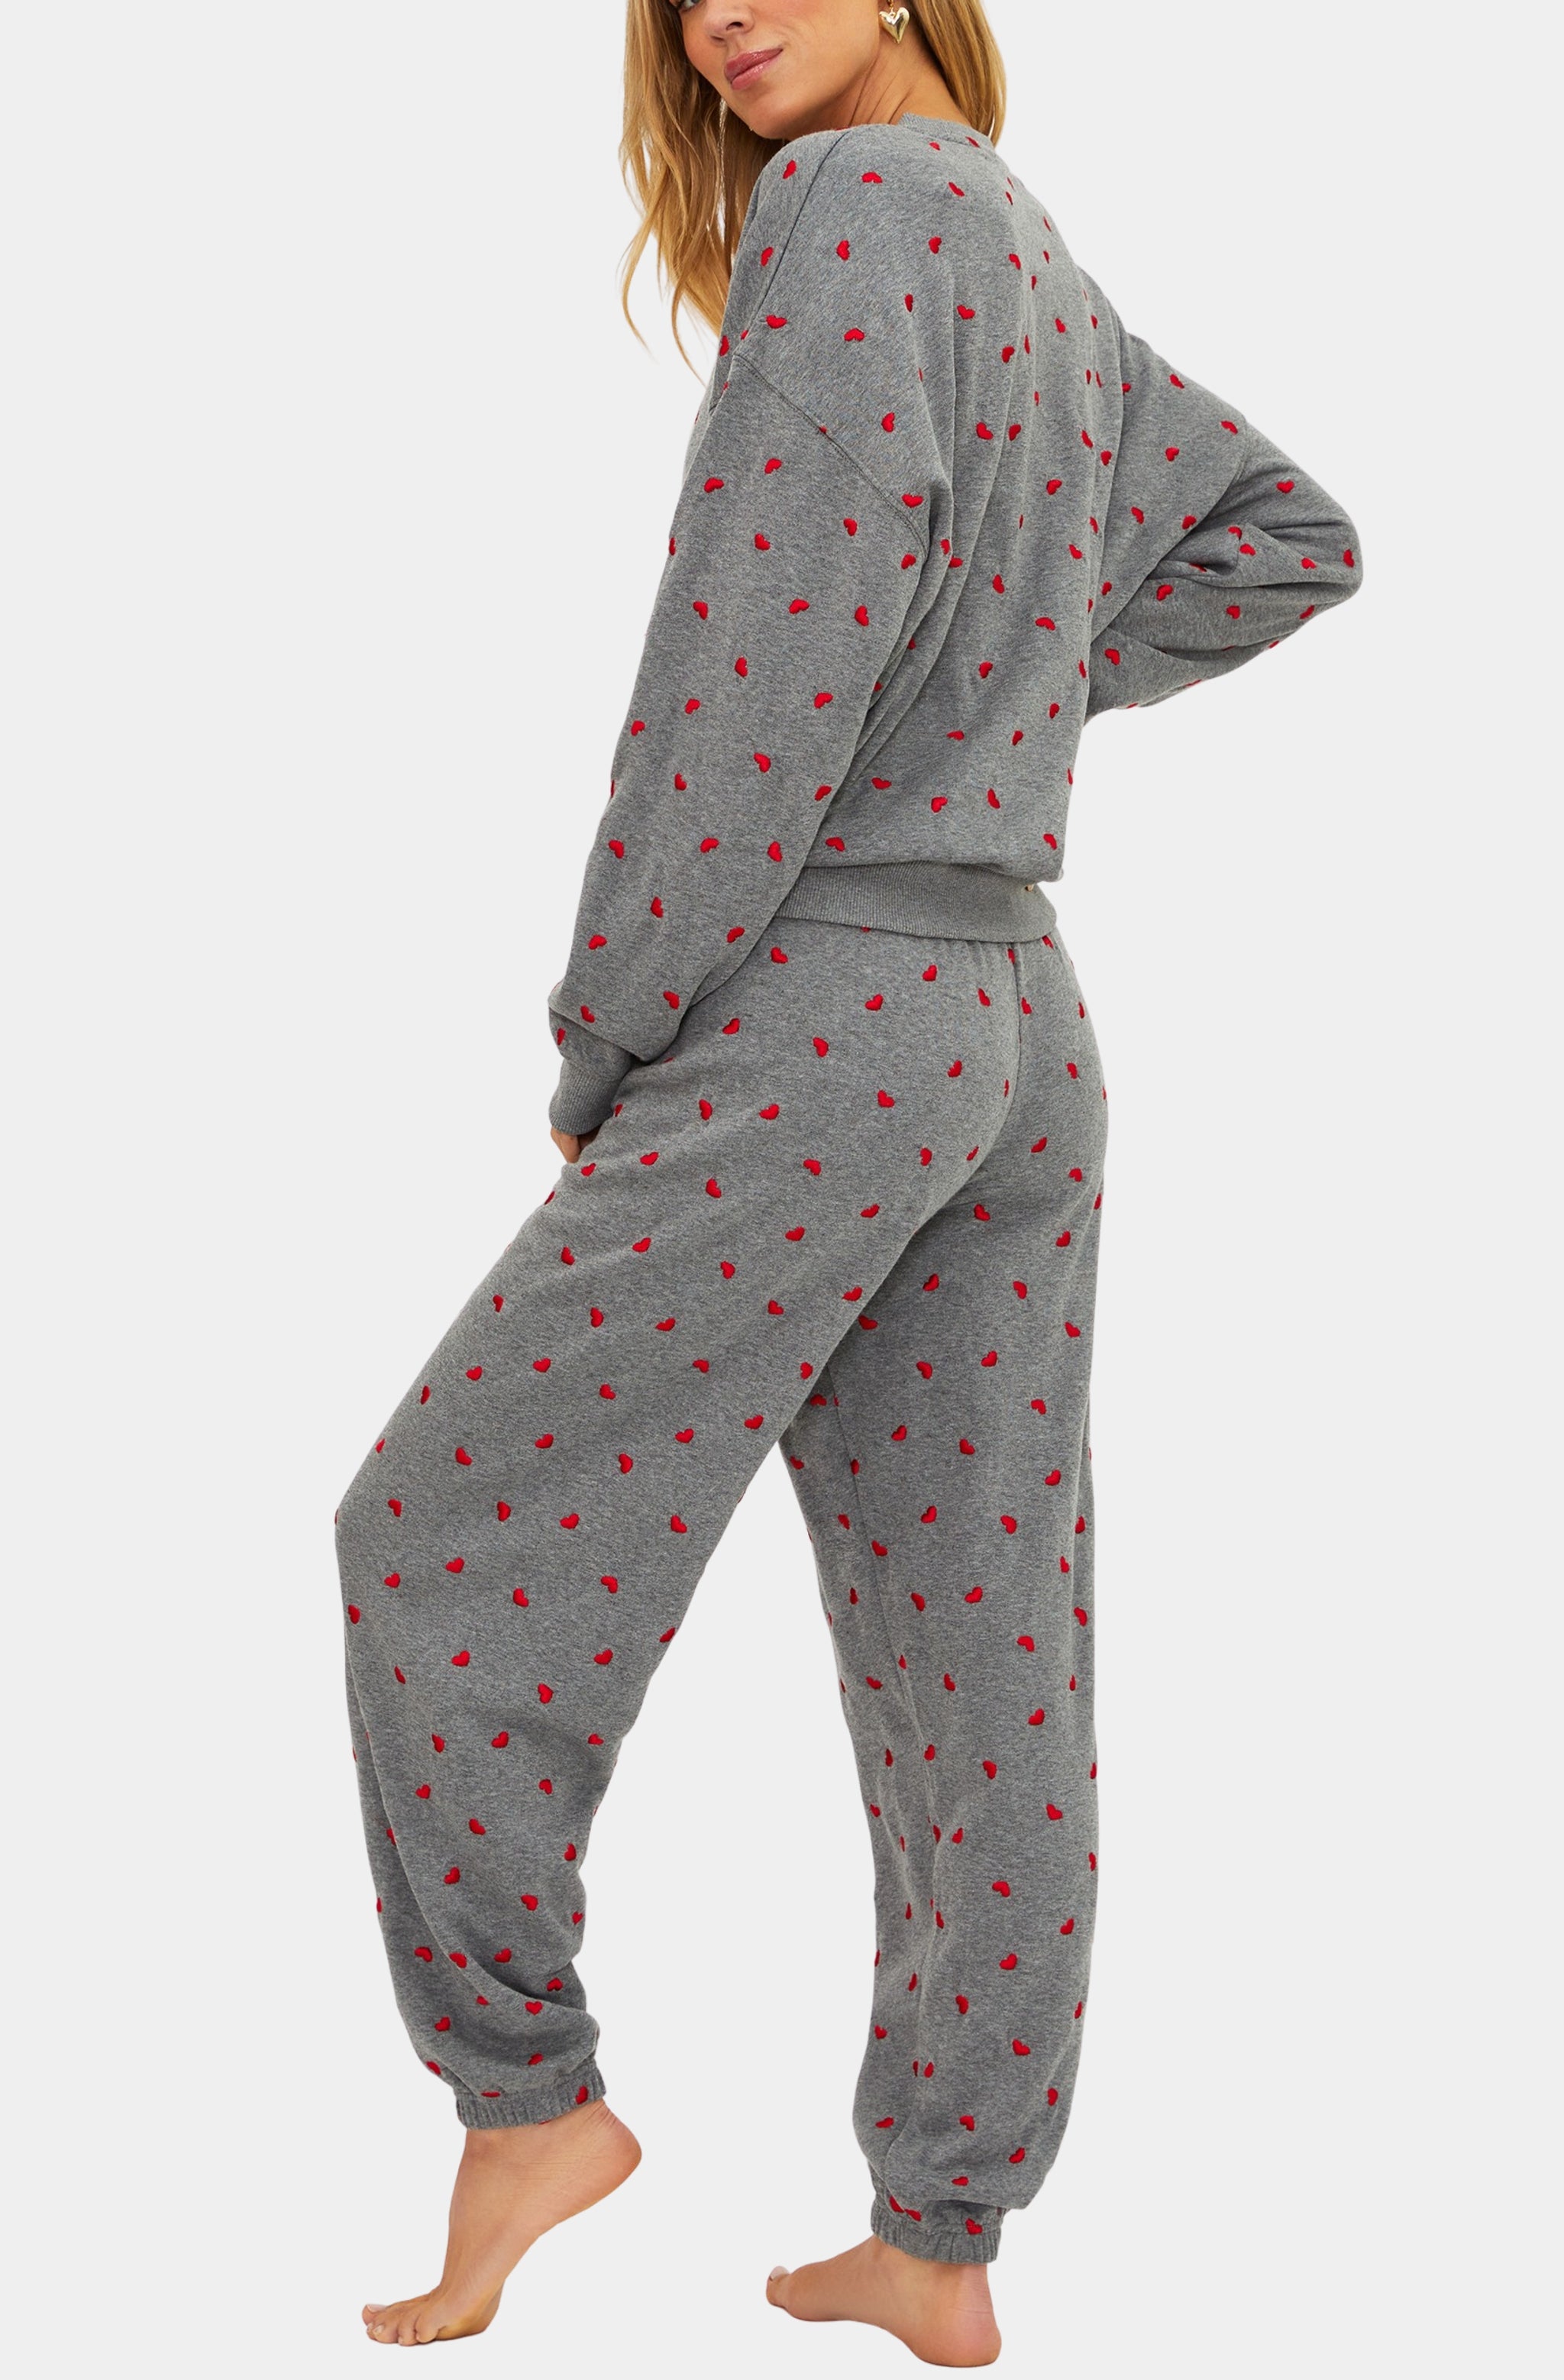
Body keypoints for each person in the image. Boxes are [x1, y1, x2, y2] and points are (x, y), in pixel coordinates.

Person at [336, 0, 1363, 2359]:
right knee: (979, 1644)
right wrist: (995, 686)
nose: (722, 10)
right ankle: (944, 2225)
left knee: (428, 1539)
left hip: (823, 1009)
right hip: (1017, 1021)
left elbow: (740, 678)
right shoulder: (1029, 256)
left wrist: (611, 1025)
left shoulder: (847, 213)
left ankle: (525, 2097)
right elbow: (1281, 536)